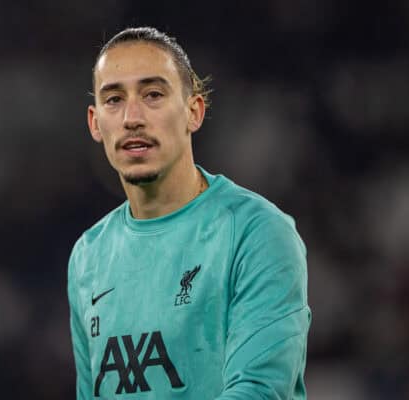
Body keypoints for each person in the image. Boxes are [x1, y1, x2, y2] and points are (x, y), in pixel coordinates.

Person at [67, 26, 311, 399]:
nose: (132, 116)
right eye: (114, 99)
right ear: (95, 122)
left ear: (193, 112)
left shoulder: (256, 233)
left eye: (152, 94)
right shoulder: (88, 256)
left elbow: (258, 392)